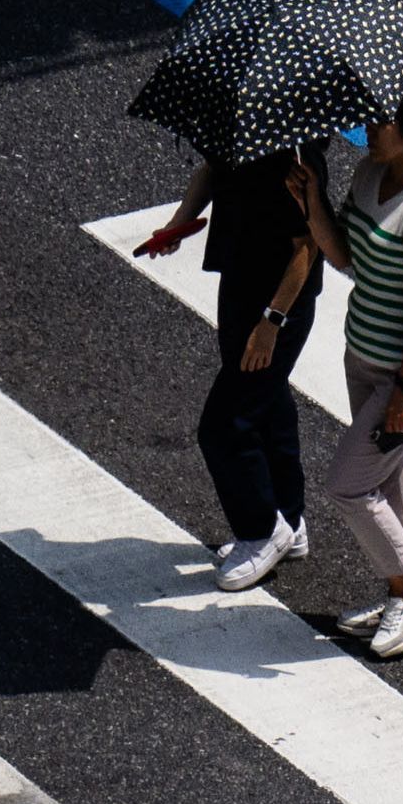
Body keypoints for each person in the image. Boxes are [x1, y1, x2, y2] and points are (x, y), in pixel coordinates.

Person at [290, 65, 403, 659]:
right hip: (362, 356)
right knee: (388, 476)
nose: (367, 127)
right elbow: (346, 259)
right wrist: (313, 199)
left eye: (381, 119)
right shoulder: (372, 173)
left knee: (347, 486)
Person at [135, 140, 331, 591]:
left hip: (279, 305)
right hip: (240, 280)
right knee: (269, 404)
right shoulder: (245, 126)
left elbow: (307, 247)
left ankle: (262, 530)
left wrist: (271, 322)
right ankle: (290, 517)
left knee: (225, 426)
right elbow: (212, 166)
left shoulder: (298, 157)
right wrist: (179, 223)